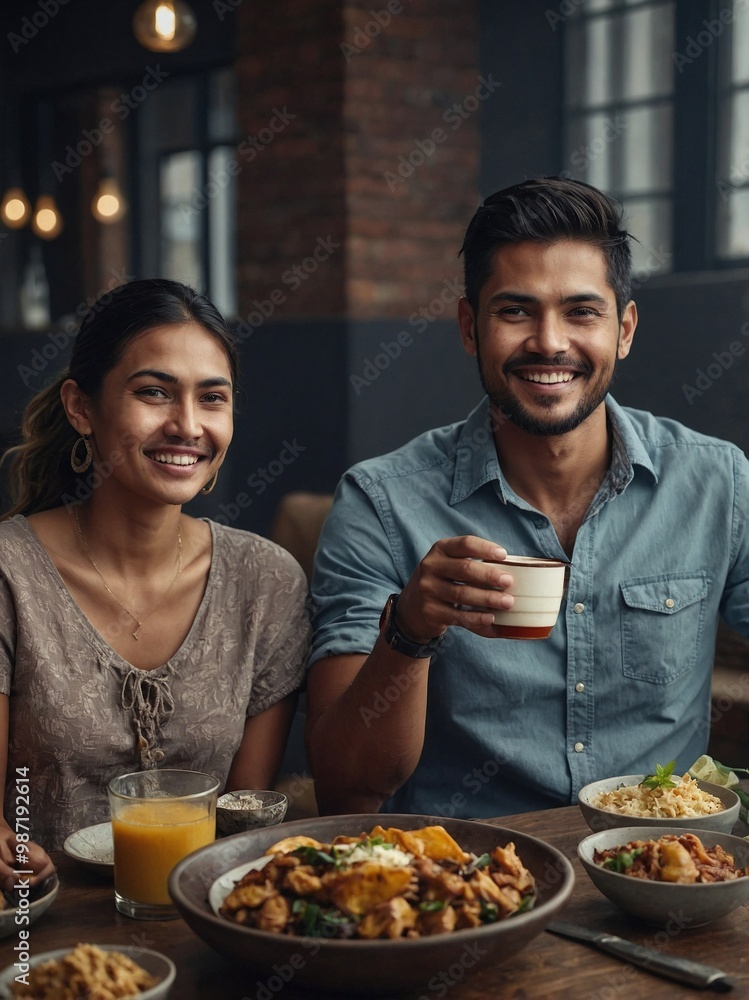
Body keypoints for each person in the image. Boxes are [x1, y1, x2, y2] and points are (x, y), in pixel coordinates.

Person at [305, 176, 749, 820]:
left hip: (661, 876)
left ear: (624, 329)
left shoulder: (717, 482)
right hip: (468, 885)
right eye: (515, 311)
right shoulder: (380, 502)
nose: (549, 341)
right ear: (469, 327)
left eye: (581, 311)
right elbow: (346, 786)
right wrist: (409, 630)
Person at [0, 278, 310, 887]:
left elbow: (241, 822)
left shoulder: (266, 582)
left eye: (212, 398)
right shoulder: (10, 573)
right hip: (42, 923)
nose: (187, 425)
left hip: (204, 916)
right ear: (81, 407)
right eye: (153, 393)